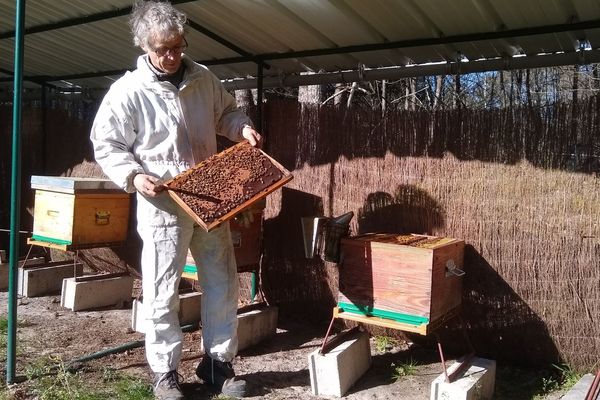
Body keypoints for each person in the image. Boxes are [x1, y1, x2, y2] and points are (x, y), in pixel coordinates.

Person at [90, 1, 261, 399]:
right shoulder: (128, 91)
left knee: (221, 279)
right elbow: (108, 144)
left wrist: (244, 128)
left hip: (209, 194)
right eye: (162, 49)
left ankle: (218, 363)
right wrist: (133, 175)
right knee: (162, 286)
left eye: (177, 46)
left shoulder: (203, 78)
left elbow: (228, 114)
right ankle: (165, 372)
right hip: (163, 201)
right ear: (145, 46)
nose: (171, 56)